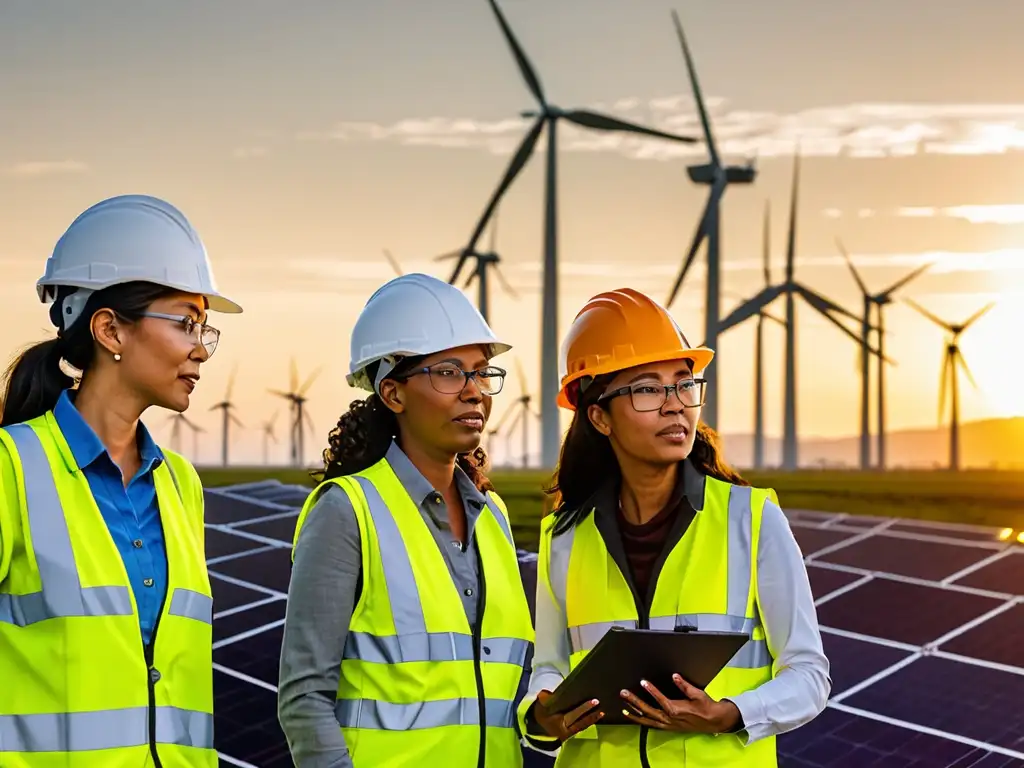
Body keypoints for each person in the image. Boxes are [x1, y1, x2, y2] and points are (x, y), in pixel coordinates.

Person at [517, 288, 830, 767]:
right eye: (646, 388)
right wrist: (542, 718)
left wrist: (729, 714)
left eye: (684, 384)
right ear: (599, 416)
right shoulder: (564, 535)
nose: (675, 405)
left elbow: (809, 675)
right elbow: (550, 669)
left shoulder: (750, 519)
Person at [0, 194, 242, 768]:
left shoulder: (181, 484)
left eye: (205, 329)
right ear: (110, 330)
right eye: (187, 323)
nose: (201, 351)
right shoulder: (12, 466)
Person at [278, 272, 535, 768]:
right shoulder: (347, 510)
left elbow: (498, 691)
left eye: (482, 372)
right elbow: (304, 700)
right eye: (448, 372)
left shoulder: (494, 516)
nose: (474, 391)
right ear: (392, 394)